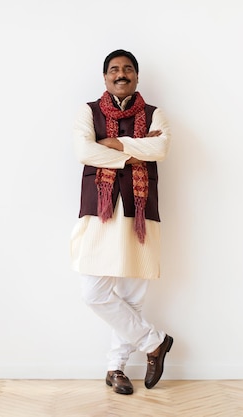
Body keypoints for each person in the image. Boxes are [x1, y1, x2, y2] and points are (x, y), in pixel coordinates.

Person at [70, 49, 173, 395]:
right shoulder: (89, 112)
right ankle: (153, 342)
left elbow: (160, 150)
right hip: (101, 211)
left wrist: (114, 145)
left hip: (140, 211)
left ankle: (116, 368)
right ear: (105, 77)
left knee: (132, 296)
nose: (121, 74)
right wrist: (136, 149)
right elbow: (85, 152)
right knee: (93, 293)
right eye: (114, 69)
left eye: (128, 69)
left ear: (137, 76)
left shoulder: (156, 115)